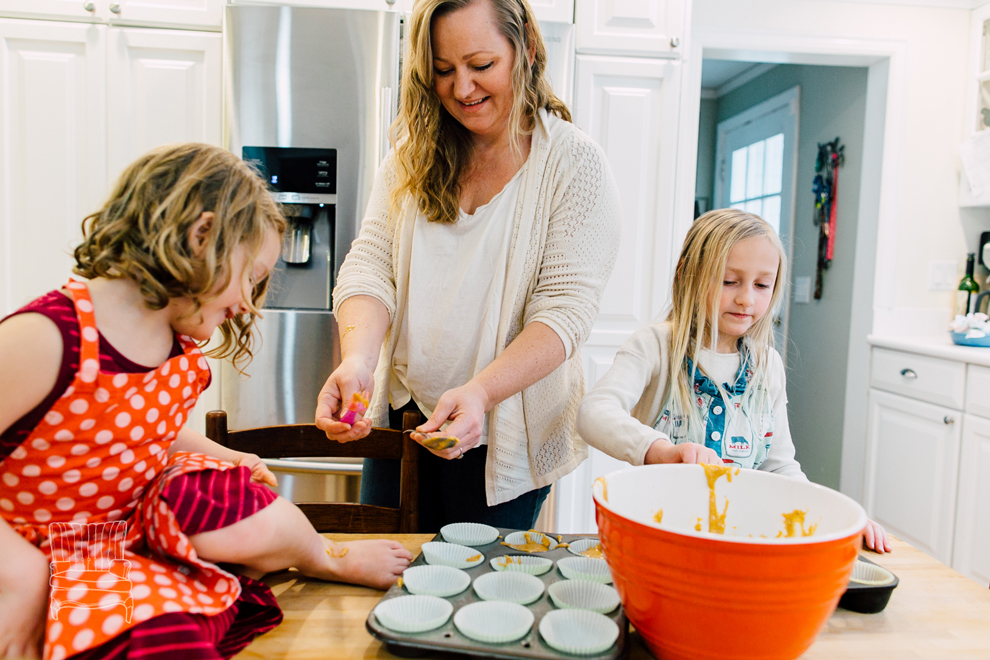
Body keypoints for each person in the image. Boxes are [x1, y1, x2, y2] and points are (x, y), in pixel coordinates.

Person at [0, 143, 412, 660]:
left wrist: (232, 460)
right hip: (37, 553)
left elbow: (146, 434)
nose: (247, 305)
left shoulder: (176, 344)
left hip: (121, 540)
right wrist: (20, 571)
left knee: (215, 495)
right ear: (200, 236)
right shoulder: (49, 335)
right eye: (250, 278)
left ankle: (322, 556)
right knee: (169, 643)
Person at [314, 0, 621, 531]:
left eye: (481, 66)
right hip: (404, 421)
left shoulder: (575, 165)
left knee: (485, 598)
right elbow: (370, 265)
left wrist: (480, 392)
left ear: (523, 49)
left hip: (503, 429)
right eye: (442, 70)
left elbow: (564, 313)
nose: (462, 89)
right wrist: (359, 359)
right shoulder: (411, 155)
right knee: (389, 582)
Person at [576, 209, 891, 553]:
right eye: (729, 281)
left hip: (739, 541)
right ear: (687, 276)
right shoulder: (655, 347)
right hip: (656, 537)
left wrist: (835, 521)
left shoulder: (767, 366)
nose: (746, 299)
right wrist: (661, 451)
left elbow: (779, 466)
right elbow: (594, 412)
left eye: (761, 285)